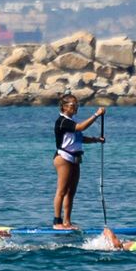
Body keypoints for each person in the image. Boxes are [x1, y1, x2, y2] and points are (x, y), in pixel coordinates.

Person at [52, 94, 106, 230]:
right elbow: (81, 127)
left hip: (76, 159)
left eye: (77, 105)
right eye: (73, 105)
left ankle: (67, 222)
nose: (76, 108)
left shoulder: (72, 120)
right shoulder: (63, 121)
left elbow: (79, 137)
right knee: (62, 190)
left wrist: (96, 140)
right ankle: (57, 222)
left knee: (71, 192)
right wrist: (96, 114)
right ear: (64, 107)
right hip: (63, 158)